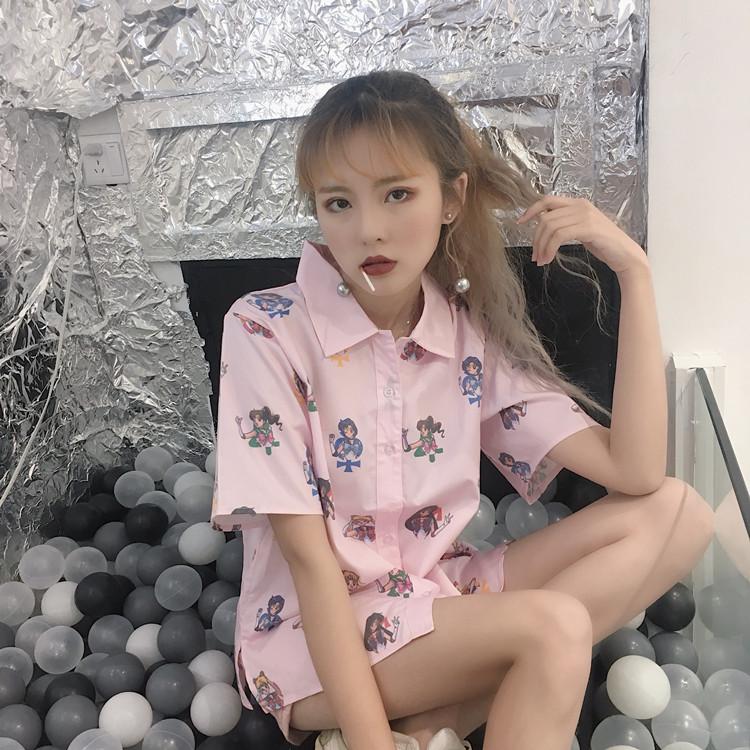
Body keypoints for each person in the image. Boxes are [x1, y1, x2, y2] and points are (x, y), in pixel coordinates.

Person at [211, 70, 714, 750]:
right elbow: (309, 565)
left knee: (681, 511)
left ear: (451, 198)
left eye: (397, 193)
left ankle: (432, 725)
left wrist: (634, 271)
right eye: (338, 203)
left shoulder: (459, 334)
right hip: (313, 639)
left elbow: (636, 471)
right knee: (557, 626)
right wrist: (371, 742)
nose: (368, 230)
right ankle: (418, 725)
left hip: (437, 595)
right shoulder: (265, 328)